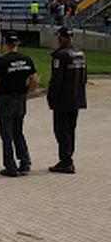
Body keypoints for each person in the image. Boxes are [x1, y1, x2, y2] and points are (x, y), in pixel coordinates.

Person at [0, 31, 38, 177]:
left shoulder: (2, 61)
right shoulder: (26, 59)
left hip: (5, 99)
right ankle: (24, 162)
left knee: (6, 134)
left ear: (5, 45)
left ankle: (10, 166)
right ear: (17, 44)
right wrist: (26, 92)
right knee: (18, 131)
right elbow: (34, 80)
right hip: (20, 98)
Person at [47, 27, 87, 174]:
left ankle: (66, 161)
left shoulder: (60, 56)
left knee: (61, 131)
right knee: (71, 130)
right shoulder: (80, 53)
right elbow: (84, 78)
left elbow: (56, 80)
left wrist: (51, 96)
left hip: (63, 100)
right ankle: (68, 157)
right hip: (76, 98)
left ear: (61, 39)